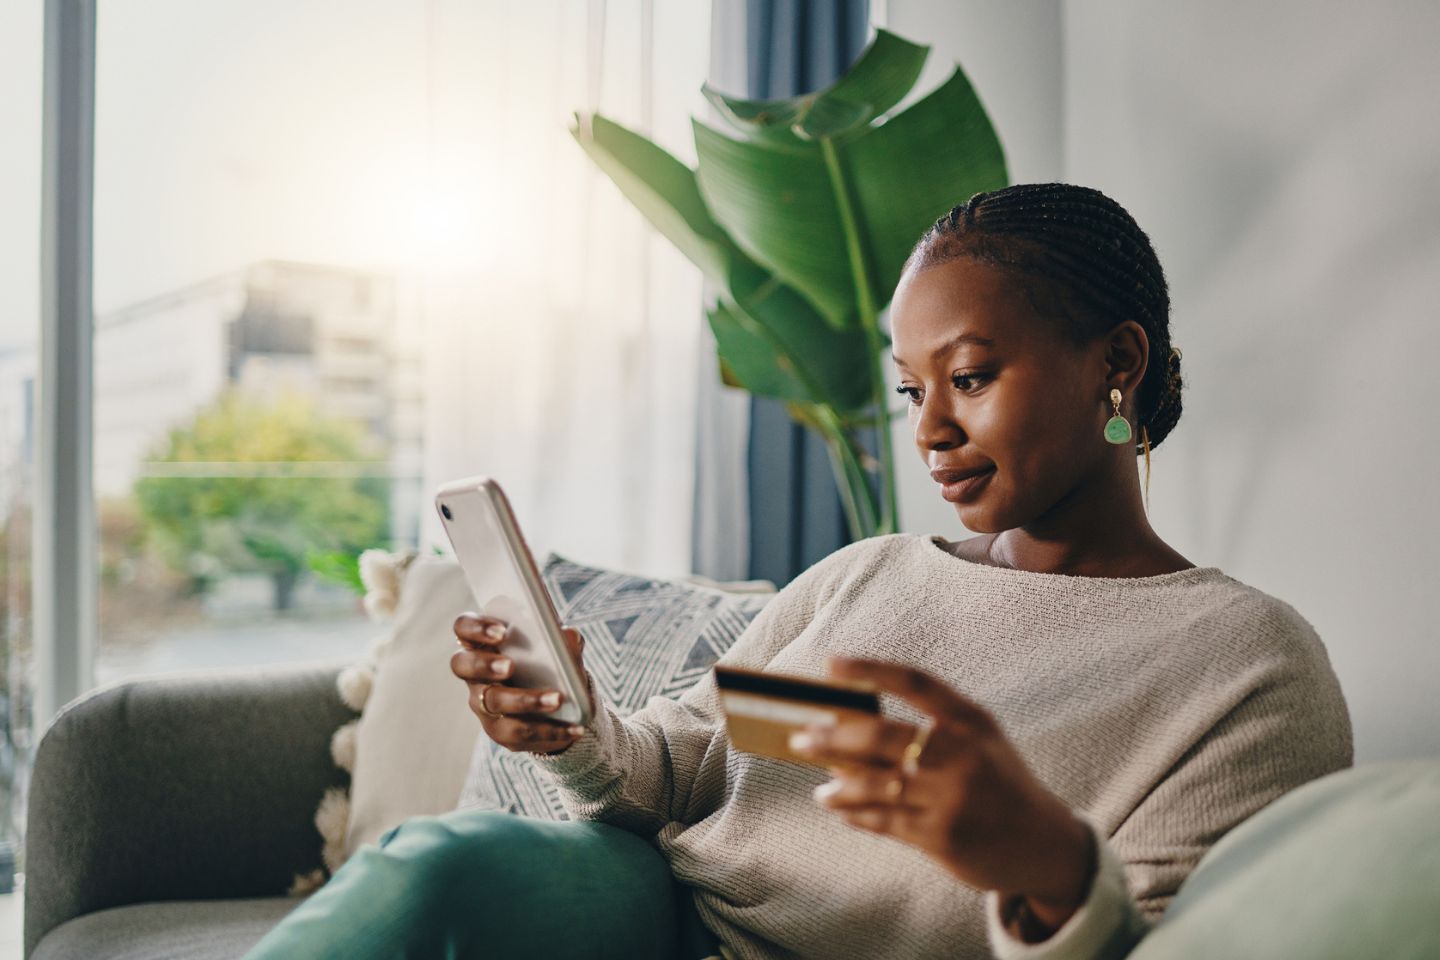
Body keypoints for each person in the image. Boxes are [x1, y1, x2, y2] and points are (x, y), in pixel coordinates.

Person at [246, 183, 1353, 960]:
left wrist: (1049, 866)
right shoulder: (871, 576)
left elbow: (1163, 941)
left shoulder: (1246, 666)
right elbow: (687, 768)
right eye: (914, 392)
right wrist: (576, 732)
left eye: (969, 377)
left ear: (1117, 363)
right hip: (650, 918)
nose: (931, 431)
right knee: (439, 866)